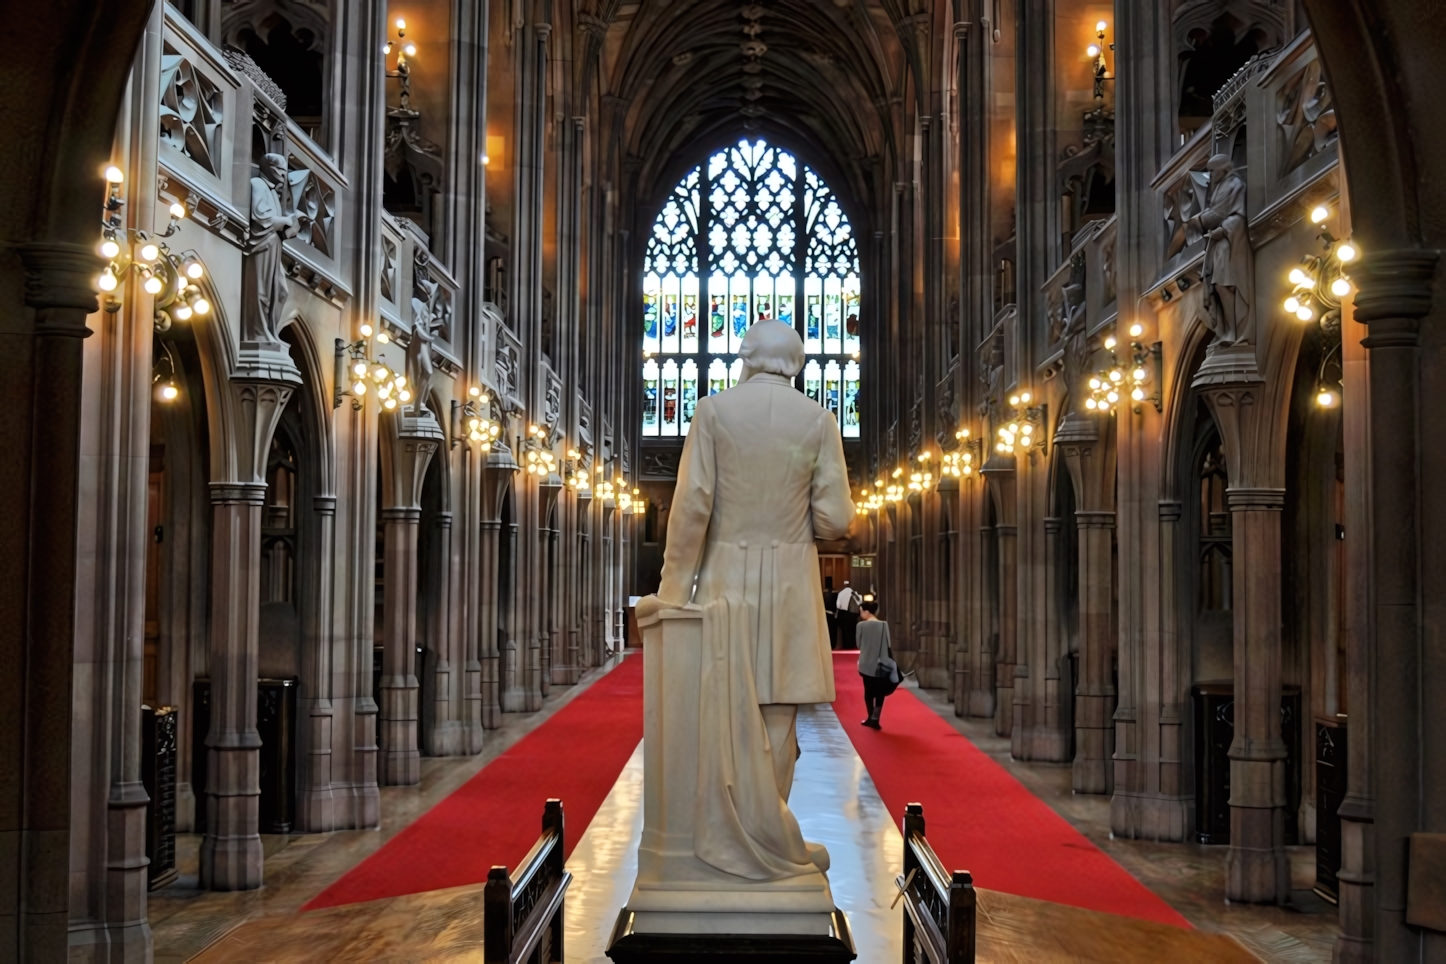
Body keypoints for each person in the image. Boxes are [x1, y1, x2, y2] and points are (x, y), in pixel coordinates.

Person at [637, 319, 854, 880]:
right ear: (796, 363)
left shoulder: (712, 412)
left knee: (723, 716)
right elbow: (836, 519)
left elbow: (691, 509)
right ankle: (773, 841)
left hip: (723, 583)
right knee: (779, 717)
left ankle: (731, 844)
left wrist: (669, 594)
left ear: (747, 357)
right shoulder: (820, 420)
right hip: (789, 586)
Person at [856, 601, 892, 728]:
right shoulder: (884, 625)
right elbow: (888, 644)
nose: (860, 614)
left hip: (866, 662)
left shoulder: (861, 626)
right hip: (881, 662)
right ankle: (876, 717)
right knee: (880, 692)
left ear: (866, 612)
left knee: (868, 691)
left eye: (861, 611)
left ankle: (870, 716)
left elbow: (858, 644)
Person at [835, 580, 861, 649]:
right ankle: (852, 645)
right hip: (853, 615)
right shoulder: (854, 593)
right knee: (853, 631)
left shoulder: (841, 593)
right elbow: (859, 602)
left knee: (845, 632)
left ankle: (846, 646)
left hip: (844, 614)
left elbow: (838, 605)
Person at [823, 577, 839, 649]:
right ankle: (833, 645)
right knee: (832, 631)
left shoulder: (822, 593)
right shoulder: (835, 593)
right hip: (833, 614)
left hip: (824, 614)